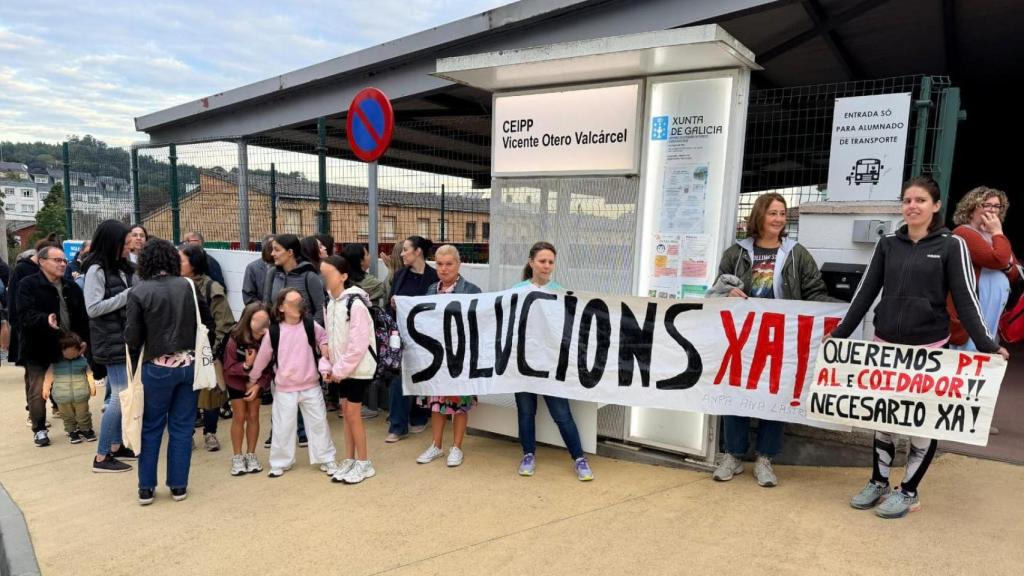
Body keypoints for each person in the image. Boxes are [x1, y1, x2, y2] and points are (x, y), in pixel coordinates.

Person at [829, 176, 1009, 519]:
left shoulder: (951, 245)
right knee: (884, 419)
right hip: (886, 347)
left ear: (936, 206)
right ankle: (878, 482)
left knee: (921, 423)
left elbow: (967, 301)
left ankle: (909, 491)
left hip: (930, 350)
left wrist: (987, 345)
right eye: (907, 200)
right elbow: (866, 292)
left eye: (921, 200)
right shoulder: (888, 245)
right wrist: (841, 333)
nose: (912, 206)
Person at [712, 193, 836, 487]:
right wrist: (726, 293)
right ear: (759, 216)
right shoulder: (735, 253)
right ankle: (734, 455)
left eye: (782, 214)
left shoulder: (797, 254)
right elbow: (717, 289)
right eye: (773, 213)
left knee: (776, 395)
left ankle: (765, 458)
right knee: (736, 393)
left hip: (782, 339)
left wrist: (830, 320)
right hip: (742, 338)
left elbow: (815, 291)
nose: (779, 219)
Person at [125, 238, 215, 506]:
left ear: (146, 262)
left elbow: (132, 336)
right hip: (189, 366)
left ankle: (146, 488)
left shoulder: (139, 292)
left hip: (155, 367)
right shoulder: (188, 286)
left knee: (151, 427)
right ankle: (178, 486)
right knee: (182, 427)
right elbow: (207, 321)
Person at [512, 241, 594, 481]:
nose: (546, 266)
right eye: (542, 261)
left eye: (550, 262)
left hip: (551, 364)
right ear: (531, 262)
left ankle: (579, 458)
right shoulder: (517, 290)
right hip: (523, 363)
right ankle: (528, 454)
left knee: (562, 414)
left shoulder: (561, 291)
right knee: (525, 412)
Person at [247, 289, 340, 479]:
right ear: (281, 307)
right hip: (284, 388)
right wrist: (252, 379)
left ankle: (326, 458)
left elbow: (323, 337)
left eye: (300, 301)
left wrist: (323, 347)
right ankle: (280, 462)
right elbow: (263, 358)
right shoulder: (274, 332)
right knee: (283, 426)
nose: (298, 305)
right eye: (293, 302)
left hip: (311, 385)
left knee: (319, 423)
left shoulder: (309, 324)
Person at [415, 245, 481, 468]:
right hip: (436, 357)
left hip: (460, 357)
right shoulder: (431, 289)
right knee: (436, 401)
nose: (443, 269)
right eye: (439, 264)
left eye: (448, 264)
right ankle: (436, 445)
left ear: (458, 265)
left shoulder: (471, 290)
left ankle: (457, 447)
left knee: (459, 401)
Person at [18, 245, 90, 447]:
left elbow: (82, 317)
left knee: (72, 388)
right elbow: (22, 314)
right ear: (41, 262)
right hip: (38, 347)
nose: (62, 264)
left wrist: (83, 340)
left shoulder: (71, 286)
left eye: (64, 260)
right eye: (56, 260)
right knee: (38, 390)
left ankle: (77, 426)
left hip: (68, 347)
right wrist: (44, 319)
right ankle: (39, 428)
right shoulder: (28, 285)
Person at [83, 220, 138, 473]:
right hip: (110, 340)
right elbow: (93, 308)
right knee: (118, 395)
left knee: (123, 394)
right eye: (126, 244)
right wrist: (126, 296)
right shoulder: (96, 269)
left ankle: (116, 446)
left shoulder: (121, 267)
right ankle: (102, 456)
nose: (130, 247)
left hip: (123, 339)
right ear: (112, 243)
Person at [320, 256, 377, 483]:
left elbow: (358, 345)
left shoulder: (356, 304)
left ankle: (364, 463)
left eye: (328, 273)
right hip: (342, 369)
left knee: (353, 414)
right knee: (346, 413)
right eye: (322, 272)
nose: (324, 277)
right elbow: (330, 340)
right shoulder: (329, 303)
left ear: (343, 276)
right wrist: (329, 366)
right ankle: (350, 459)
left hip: (358, 369)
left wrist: (339, 369)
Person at [180, 244, 235, 451]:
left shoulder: (211, 287)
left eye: (182, 259)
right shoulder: (175, 284)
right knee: (185, 395)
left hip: (207, 350)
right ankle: (187, 435)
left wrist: (214, 349)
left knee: (211, 393)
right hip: (182, 351)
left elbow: (224, 321)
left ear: (194, 263)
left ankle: (210, 433)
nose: (177, 263)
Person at [385, 236, 438, 443]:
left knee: (421, 375)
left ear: (418, 252)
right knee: (398, 378)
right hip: (401, 336)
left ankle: (419, 415)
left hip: (425, 338)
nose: (402, 253)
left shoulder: (433, 277)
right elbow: (392, 303)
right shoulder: (399, 275)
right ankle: (397, 426)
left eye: (406, 249)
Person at [221, 302, 273, 476]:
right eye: (256, 322)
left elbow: (270, 368)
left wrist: (258, 384)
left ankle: (251, 454)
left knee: (253, 415)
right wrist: (246, 365)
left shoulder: (269, 338)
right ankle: (237, 456)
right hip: (236, 381)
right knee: (239, 416)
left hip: (257, 382)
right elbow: (228, 368)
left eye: (264, 323)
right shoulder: (235, 337)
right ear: (247, 320)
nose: (260, 328)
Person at [341, 243, 387, 419]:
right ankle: (369, 406)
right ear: (360, 260)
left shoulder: (343, 282)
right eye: (367, 255)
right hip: (367, 332)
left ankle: (349, 404)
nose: (369, 258)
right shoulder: (371, 284)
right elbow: (387, 291)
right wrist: (391, 271)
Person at [42, 330, 95, 444]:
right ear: (61, 350)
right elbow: (49, 376)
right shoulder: (55, 363)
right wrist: (46, 388)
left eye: (74, 350)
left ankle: (85, 429)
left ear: (79, 349)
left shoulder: (82, 361)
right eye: (68, 351)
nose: (71, 353)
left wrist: (92, 386)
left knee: (83, 414)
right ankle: (71, 431)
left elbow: (89, 374)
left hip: (81, 394)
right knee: (67, 416)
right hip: (62, 396)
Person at [264, 234, 325, 325]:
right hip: (279, 333)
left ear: (290, 252)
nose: (272, 253)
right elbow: (267, 304)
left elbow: (321, 309)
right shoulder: (273, 273)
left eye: (276, 250)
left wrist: (310, 330)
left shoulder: (309, 276)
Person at [242, 235, 274, 305]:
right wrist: (263, 309)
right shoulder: (252, 268)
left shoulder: (283, 266)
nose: (274, 252)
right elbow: (248, 296)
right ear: (264, 249)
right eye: (272, 248)